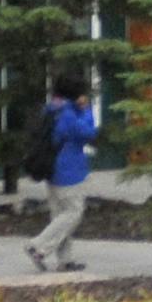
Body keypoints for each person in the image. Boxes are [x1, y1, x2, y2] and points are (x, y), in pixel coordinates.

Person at [22, 75, 99, 273]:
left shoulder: (51, 109)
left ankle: (65, 260)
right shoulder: (68, 114)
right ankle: (37, 247)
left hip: (51, 169)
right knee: (73, 213)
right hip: (69, 170)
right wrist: (87, 110)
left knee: (59, 215)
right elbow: (88, 133)